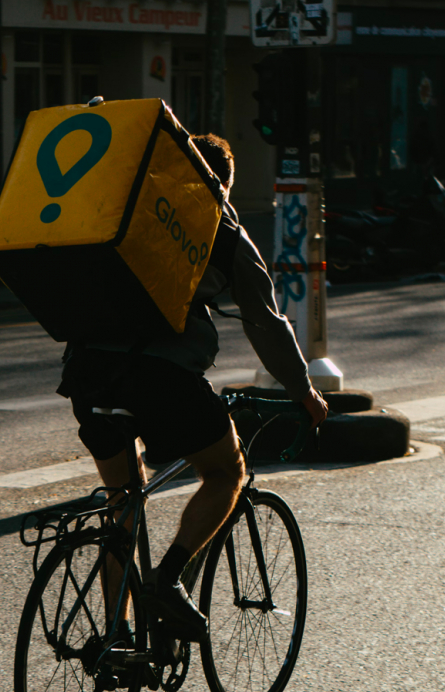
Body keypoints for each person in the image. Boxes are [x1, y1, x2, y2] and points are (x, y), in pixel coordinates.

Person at [58, 134, 328, 643]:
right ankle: (167, 579)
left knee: (122, 499)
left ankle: (117, 636)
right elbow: (265, 323)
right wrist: (303, 391)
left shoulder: (129, 208)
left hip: (86, 371)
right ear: (223, 184)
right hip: (161, 378)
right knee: (227, 470)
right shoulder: (222, 229)